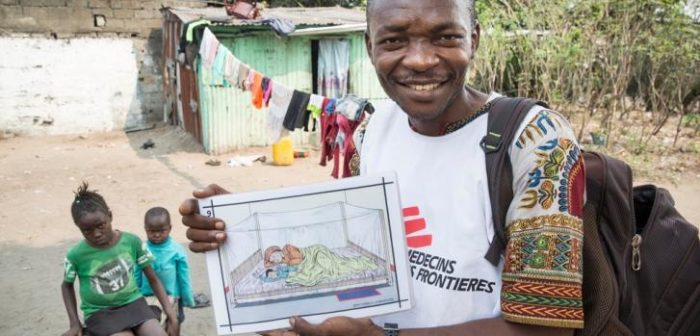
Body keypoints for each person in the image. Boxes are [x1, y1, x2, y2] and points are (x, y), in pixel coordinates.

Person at [180, 0, 585, 335]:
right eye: (394, 40)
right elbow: (357, 254)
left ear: (474, 39)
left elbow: (546, 327)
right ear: (370, 43)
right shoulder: (373, 131)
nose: (422, 60)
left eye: (446, 37)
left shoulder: (538, 141)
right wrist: (240, 228)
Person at [61, 183, 178, 336]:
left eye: (100, 225)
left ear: (110, 216)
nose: (96, 234)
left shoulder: (131, 242)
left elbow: (153, 279)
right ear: (79, 227)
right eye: (87, 230)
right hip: (100, 313)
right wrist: (74, 323)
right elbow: (66, 286)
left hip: (134, 304)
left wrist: (171, 314)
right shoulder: (76, 254)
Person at [135, 207, 195, 333]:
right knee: (153, 328)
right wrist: (136, 293)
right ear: (145, 229)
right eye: (151, 231)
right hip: (148, 297)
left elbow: (184, 275)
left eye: (161, 231)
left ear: (170, 228)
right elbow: (136, 273)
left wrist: (187, 297)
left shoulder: (176, 250)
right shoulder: (142, 249)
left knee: (174, 323)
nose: (156, 234)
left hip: (172, 296)